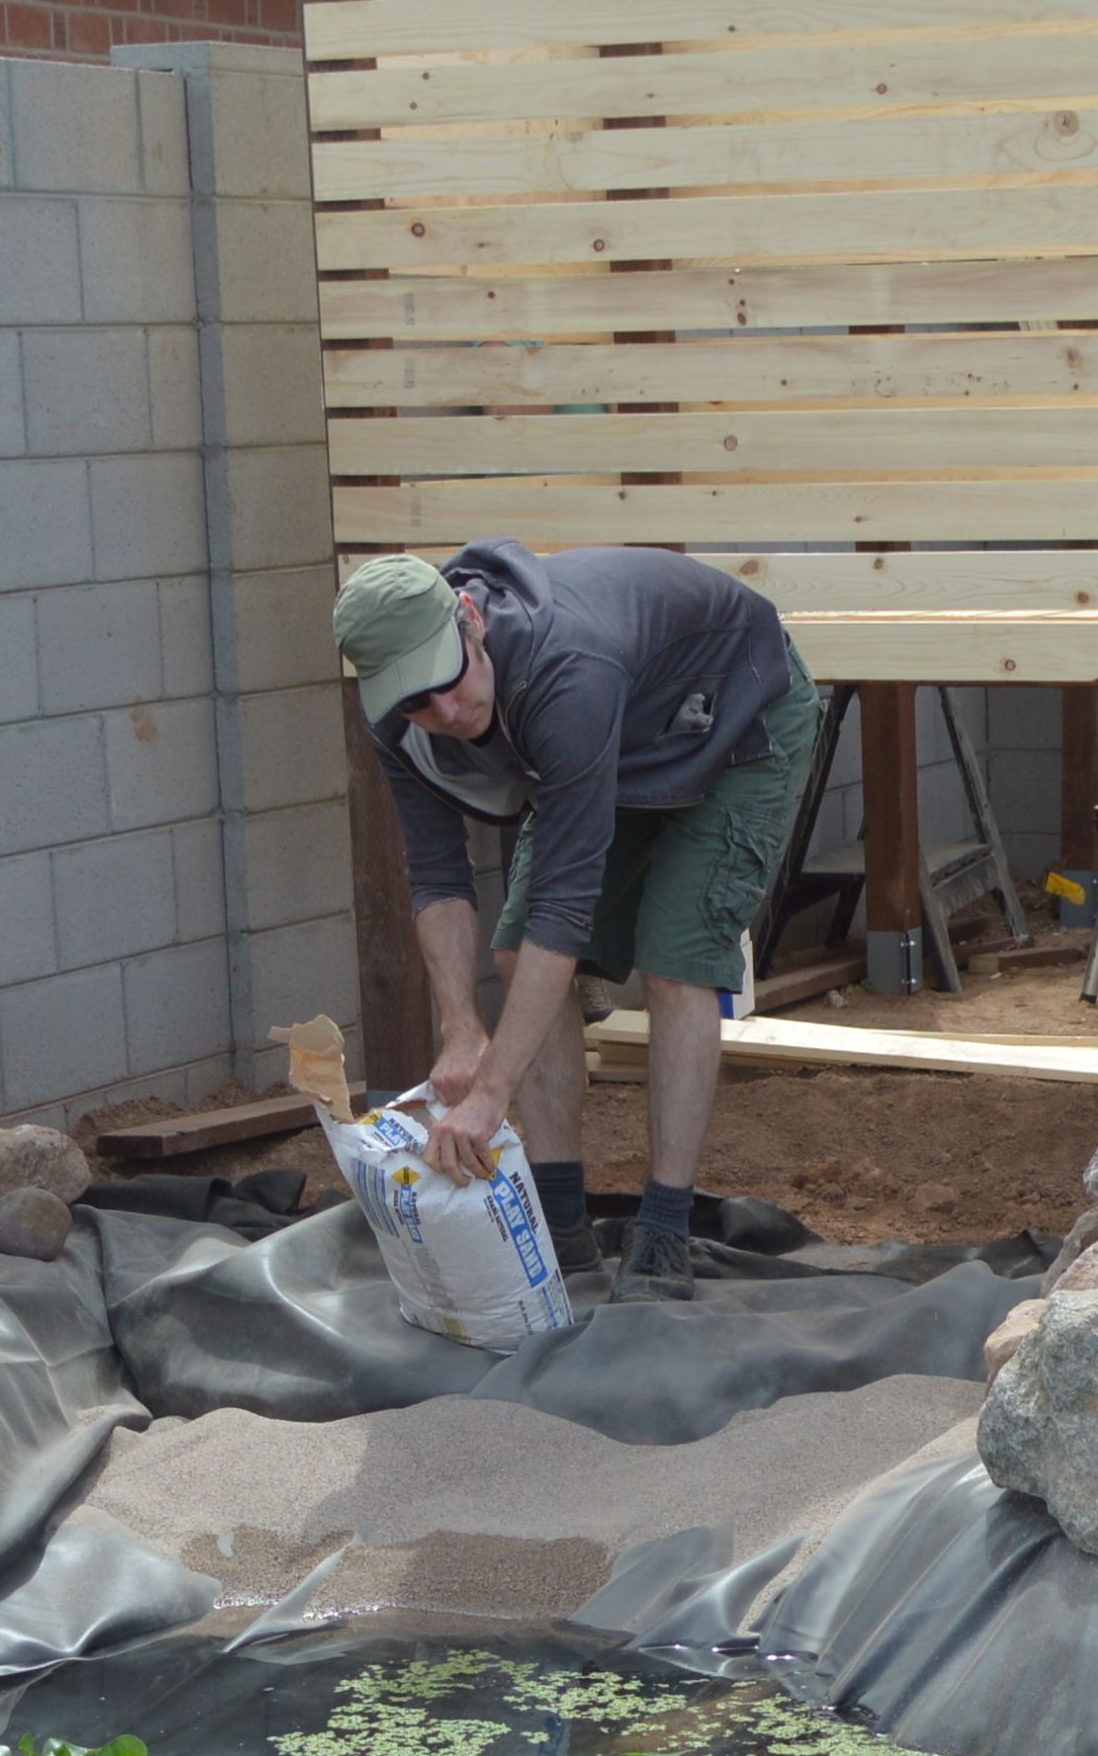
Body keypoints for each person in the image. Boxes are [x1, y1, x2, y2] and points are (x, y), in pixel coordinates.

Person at [336, 541, 823, 1295]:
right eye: (413, 702)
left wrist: (493, 1090)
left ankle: (663, 1229)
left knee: (676, 962)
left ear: (470, 621)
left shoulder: (566, 667)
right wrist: (462, 1028)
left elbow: (565, 909)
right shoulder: (401, 722)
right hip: (623, 746)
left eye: (445, 682)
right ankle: (562, 1224)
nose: (444, 714)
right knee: (510, 955)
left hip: (735, 719)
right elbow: (436, 873)